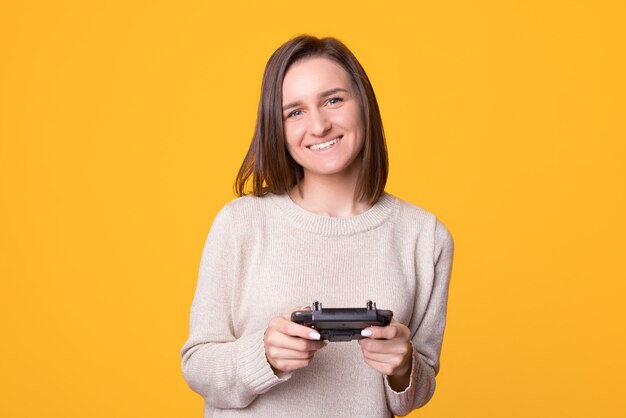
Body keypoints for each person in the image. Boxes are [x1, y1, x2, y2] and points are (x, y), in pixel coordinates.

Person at [180, 35, 454, 417]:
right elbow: (197, 365)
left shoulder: (424, 237)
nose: (320, 125)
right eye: (295, 112)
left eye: (333, 100)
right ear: (277, 128)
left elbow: (415, 393)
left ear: (364, 105)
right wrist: (264, 357)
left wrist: (404, 365)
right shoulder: (240, 223)